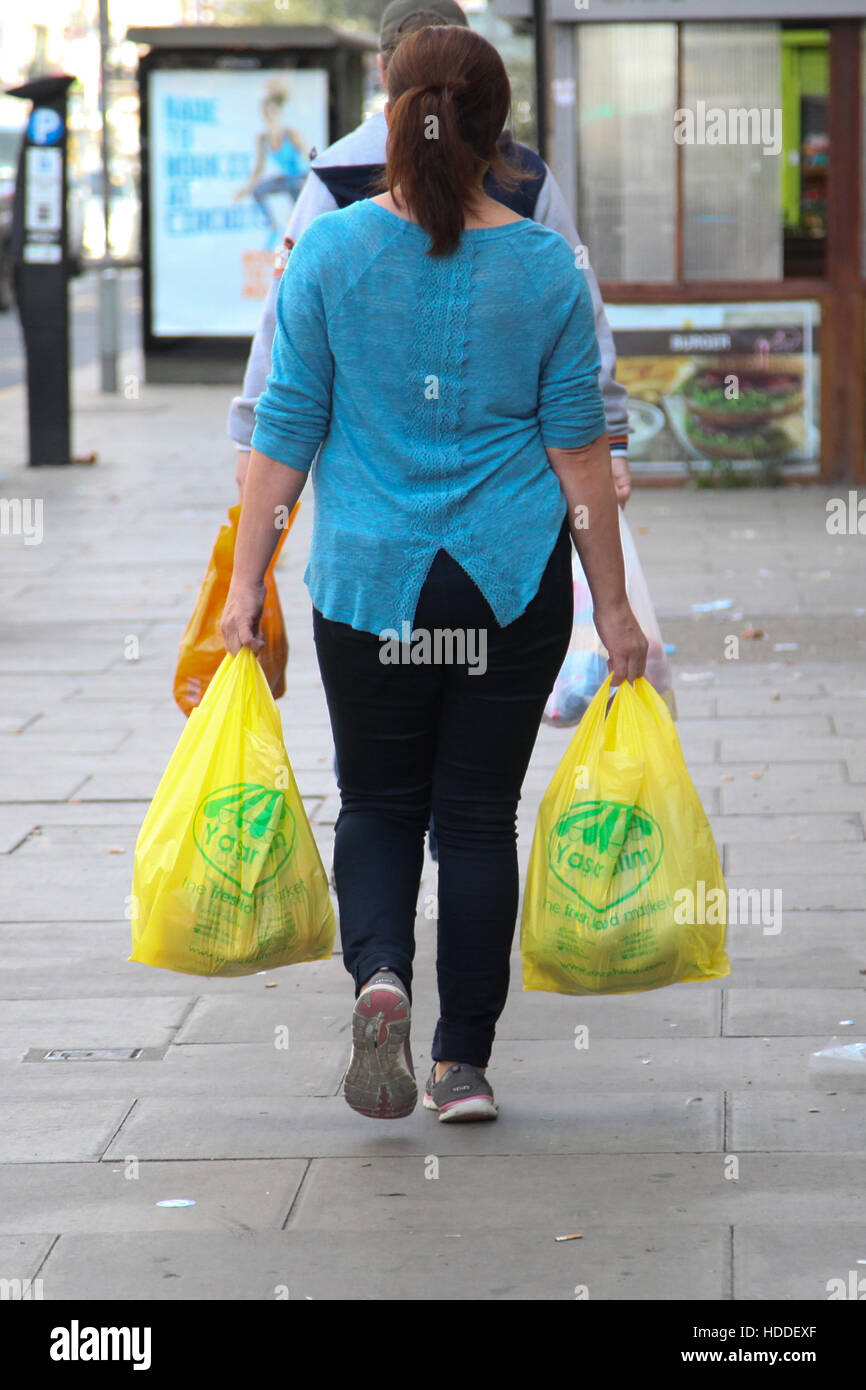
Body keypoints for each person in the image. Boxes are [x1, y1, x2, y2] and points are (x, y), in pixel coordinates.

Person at [221, 22, 647, 1125]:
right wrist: (614, 609)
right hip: (504, 583)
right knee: (473, 817)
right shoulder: (546, 267)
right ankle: (462, 1064)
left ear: (387, 114)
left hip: (368, 583)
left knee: (374, 799)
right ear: (499, 129)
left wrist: (241, 588)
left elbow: (285, 432)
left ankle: (379, 980)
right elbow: (578, 454)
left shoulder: (327, 252)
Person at [227, 0, 631, 506]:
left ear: (383, 72)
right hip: (513, 503)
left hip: (370, 507)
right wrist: (610, 435)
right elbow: (581, 312)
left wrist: (251, 435)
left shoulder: (335, 176)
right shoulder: (525, 175)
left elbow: (283, 320)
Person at [234, 84, 311, 251]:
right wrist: (246, 189)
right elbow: (258, 170)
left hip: (300, 180)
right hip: (286, 179)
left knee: (297, 218)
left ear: (280, 114)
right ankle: (273, 227)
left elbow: (310, 160)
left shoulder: (291, 134)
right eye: (266, 114)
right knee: (258, 191)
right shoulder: (262, 138)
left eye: (272, 113)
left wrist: (311, 182)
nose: (270, 118)